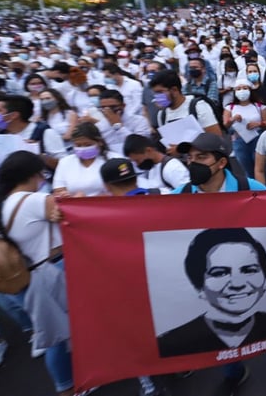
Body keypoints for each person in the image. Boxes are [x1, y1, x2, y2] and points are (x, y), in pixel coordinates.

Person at [170, 135, 266, 395]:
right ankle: (233, 372)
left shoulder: (247, 187)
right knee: (221, 326)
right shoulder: (179, 195)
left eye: (201, 157)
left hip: (252, 273)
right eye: (189, 158)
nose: (193, 163)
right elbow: (135, 213)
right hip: (214, 278)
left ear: (221, 162)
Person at [0, 151, 73, 395]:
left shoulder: (6, 203)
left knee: (57, 332)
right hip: (50, 271)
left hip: (32, 277)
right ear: (33, 174)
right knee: (57, 338)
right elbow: (68, 213)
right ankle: (67, 387)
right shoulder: (32, 200)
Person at [155, 228, 266, 357]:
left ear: (265, 280)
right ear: (198, 286)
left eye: (249, 270)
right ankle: (234, 375)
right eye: (220, 273)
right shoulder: (174, 342)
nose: (237, 284)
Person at [98, 158, 164, 396]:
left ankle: (149, 384)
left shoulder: (101, 215)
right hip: (166, 277)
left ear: (106, 185)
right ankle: (178, 366)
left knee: (135, 335)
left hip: (129, 284)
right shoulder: (162, 195)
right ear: (134, 177)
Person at [52, 123, 114, 198]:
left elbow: (122, 190)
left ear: (99, 142)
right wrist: (66, 196)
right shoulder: (65, 162)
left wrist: (86, 200)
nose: (83, 148)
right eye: (78, 145)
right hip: (74, 207)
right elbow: (58, 192)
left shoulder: (113, 159)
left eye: (88, 144)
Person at [223, 78, 266, 178]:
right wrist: (233, 119)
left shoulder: (259, 106)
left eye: (245, 88)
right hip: (239, 140)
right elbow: (225, 125)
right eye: (238, 89)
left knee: (261, 168)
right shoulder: (230, 107)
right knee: (247, 169)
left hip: (257, 139)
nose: (242, 91)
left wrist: (258, 124)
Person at [122, 134, 190, 192]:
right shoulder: (151, 167)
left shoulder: (172, 167)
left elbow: (188, 194)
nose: (137, 164)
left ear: (148, 150)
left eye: (137, 160)